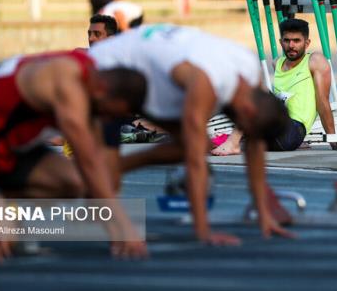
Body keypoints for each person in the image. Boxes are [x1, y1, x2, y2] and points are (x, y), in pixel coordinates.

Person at [89, 24, 295, 246]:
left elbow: (256, 146)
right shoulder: (206, 82)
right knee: (102, 183)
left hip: (152, 75)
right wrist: (203, 230)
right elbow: (195, 162)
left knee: (195, 144)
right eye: (246, 129)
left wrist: (263, 214)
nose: (242, 134)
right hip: (108, 68)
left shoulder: (250, 72)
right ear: (248, 111)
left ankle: (117, 166)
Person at [0, 49, 148, 258]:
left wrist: (114, 225)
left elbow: (98, 164)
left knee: (74, 182)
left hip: (4, 153)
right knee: (0, 237)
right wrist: (123, 228)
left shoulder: (90, 79)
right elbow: (88, 161)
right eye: (108, 114)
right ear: (101, 90)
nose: (107, 121)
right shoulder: (66, 84)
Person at [212, 18, 337, 156]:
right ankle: (233, 140)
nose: (291, 45)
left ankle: (233, 143)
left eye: (297, 41)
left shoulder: (315, 61)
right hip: (275, 129)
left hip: (293, 130)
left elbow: (322, 101)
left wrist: (332, 138)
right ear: (280, 42)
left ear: (307, 43)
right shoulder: (277, 63)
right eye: (287, 40)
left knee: (258, 96)